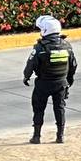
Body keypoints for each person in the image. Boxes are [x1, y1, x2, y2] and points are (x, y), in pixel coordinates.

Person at [23, 15, 76, 144]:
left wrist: (26, 76)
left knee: (38, 109)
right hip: (61, 83)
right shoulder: (67, 46)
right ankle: (60, 136)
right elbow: (73, 66)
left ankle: (36, 137)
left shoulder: (40, 48)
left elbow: (31, 64)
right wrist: (68, 81)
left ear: (45, 30)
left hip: (43, 84)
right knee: (60, 108)